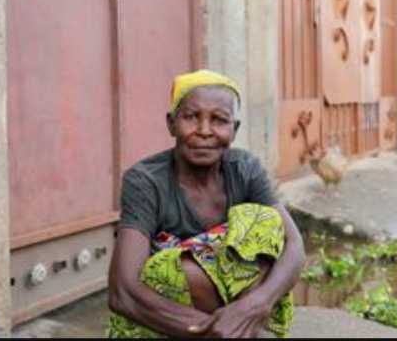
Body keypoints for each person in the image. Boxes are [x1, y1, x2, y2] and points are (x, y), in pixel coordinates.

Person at [106, 69, 306, 338]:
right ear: (171, 124)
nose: (204, 131)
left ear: (234, 130)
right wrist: (209, 331)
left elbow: (294, 247)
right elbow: (124, 292)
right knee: (181, 270)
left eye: (219, 120)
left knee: (266, 223)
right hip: (166, 319)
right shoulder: (145, 181)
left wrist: (253, 307)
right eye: (190, 117)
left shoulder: (244, 169)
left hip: (238, 308)